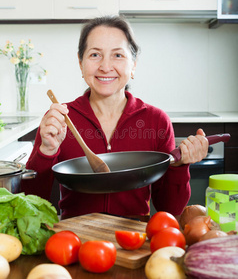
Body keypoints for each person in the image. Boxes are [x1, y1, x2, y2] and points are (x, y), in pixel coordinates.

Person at [21, 15, 208, 220]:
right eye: (95, 55)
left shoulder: (156, 121)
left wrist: (179, 167)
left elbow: (170, 208)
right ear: (80, 62)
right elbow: (31, 201)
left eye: (118, 55)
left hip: (134, 238)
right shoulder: (59, 119)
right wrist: (46, 151)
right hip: (73, 239)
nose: (106, 66)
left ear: (133, 64)